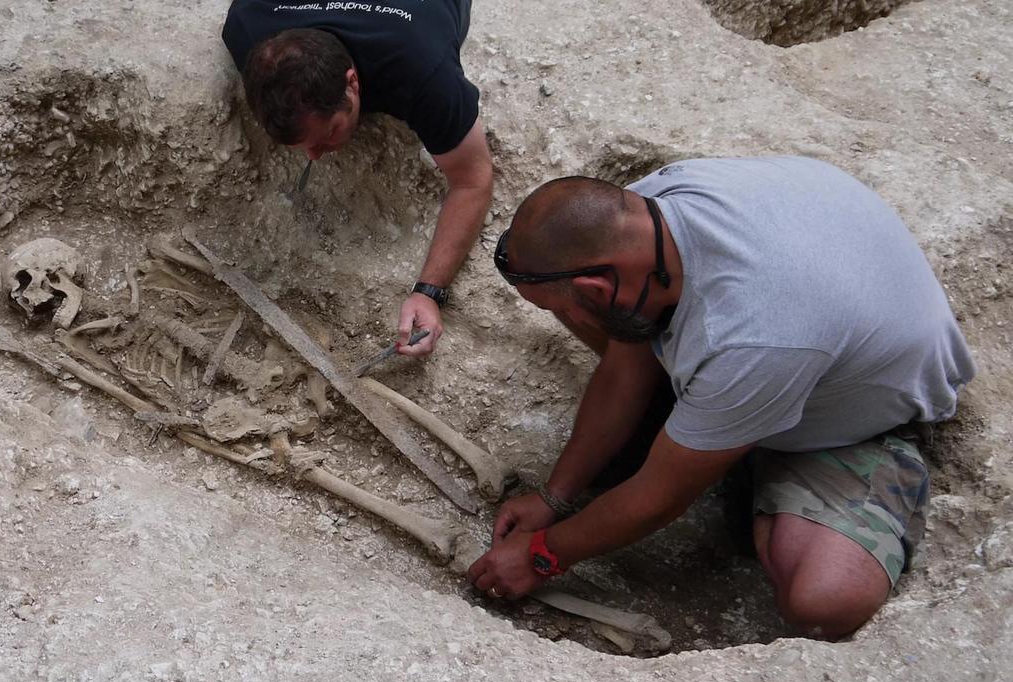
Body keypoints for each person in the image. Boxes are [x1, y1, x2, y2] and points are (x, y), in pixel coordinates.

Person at [467, 156, 976, 638]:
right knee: (603, 313)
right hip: (814, 313)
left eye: (578, 307)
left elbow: (658, 499)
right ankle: (711, 430)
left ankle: (751, 448)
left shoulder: (755, 335)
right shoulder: (646, 210)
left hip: (863, 406)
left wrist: (541, 554)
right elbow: (626, 355)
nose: (572, 323)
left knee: (824, 600)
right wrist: (556, 497)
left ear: (599, 286)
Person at [222, 0, 493, 357]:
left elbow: (473, 179)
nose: (314, 156)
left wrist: (430, 292)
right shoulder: (246, 24)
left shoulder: (421, 70)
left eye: (327, 135)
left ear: (352, 83)